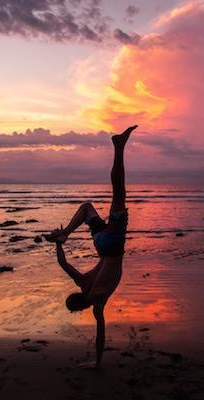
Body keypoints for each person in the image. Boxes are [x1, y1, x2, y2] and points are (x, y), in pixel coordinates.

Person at [44, 124, 138, 368]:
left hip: (112, 245)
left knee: (119, 195)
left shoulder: (98, 302)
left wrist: (96, 363)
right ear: (75, 295)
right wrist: (58, 243)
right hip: (102, 243)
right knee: (87, 206)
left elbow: (100, 335)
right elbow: (62, 263)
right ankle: (65, 233)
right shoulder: (81, 283)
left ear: (81, 307)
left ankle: (119, 147)